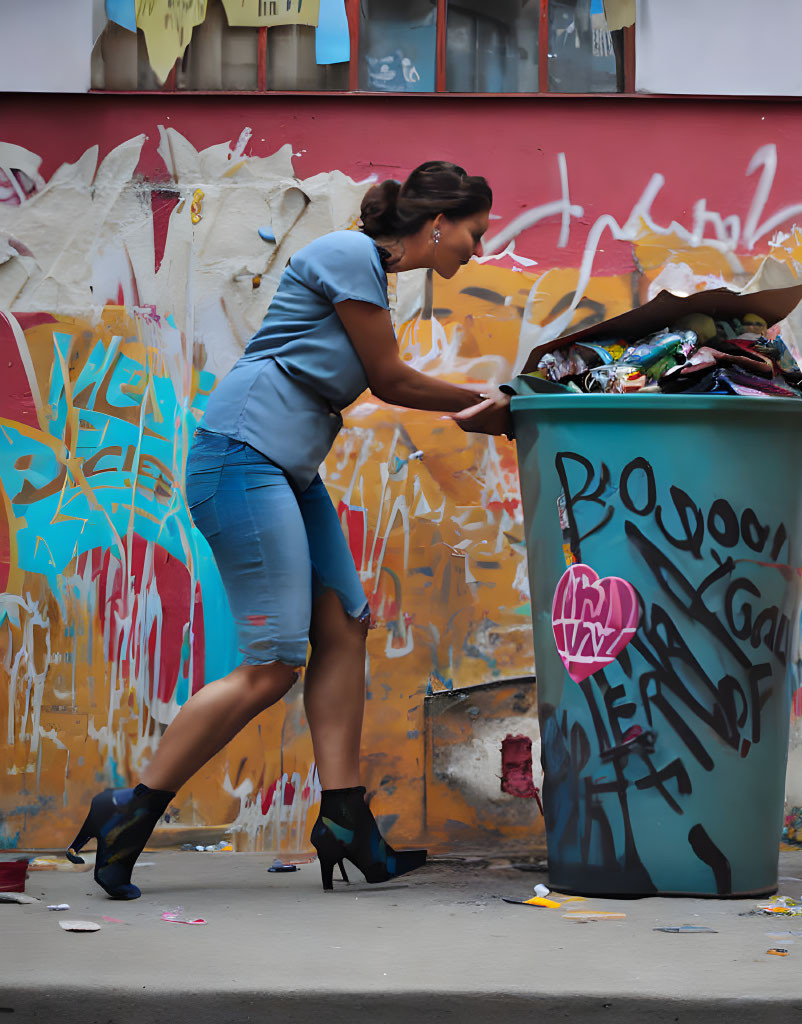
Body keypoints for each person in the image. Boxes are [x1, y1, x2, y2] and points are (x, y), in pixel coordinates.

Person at [67, 161, 510, 900]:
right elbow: (388, 378)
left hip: (286, 468)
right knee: (272, 664)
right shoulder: (347, 254)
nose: (478, 248)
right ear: (438, 223)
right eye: (475, 232)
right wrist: (489, 403)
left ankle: (345, 822)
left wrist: (490, 404)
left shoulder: (376, 272)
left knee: (343, 626)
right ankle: (130, 809)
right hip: (242, 457)